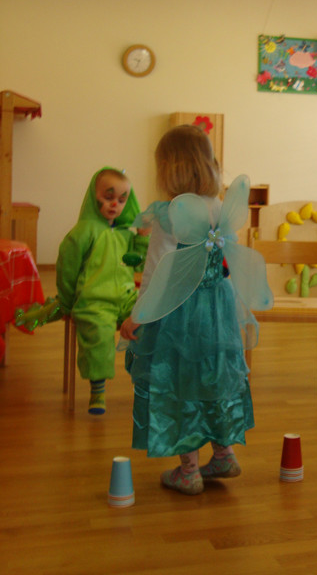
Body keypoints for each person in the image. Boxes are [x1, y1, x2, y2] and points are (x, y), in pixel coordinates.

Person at [120, 125, 271, 496]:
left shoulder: (170, 214)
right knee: (212, 378)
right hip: (218, 308)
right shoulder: (220, 207)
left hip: (180, 313)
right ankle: (223, 454)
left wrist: (137, 316)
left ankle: (188, 471)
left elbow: (158, 274)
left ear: (169, 169)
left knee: (179, 383)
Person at [57, 167, 149, 415]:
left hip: (126, 297)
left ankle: (147, 381)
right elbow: (67, 269)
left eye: (121, 199)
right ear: (93, 195)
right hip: (94, 301)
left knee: (151, 321)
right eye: (108, 197)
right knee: (98, 335)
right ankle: (97, 389)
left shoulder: (125, 234)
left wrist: (142, 238)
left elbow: (138, 263)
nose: (115, 204)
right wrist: (68, 303)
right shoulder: (83, 232)